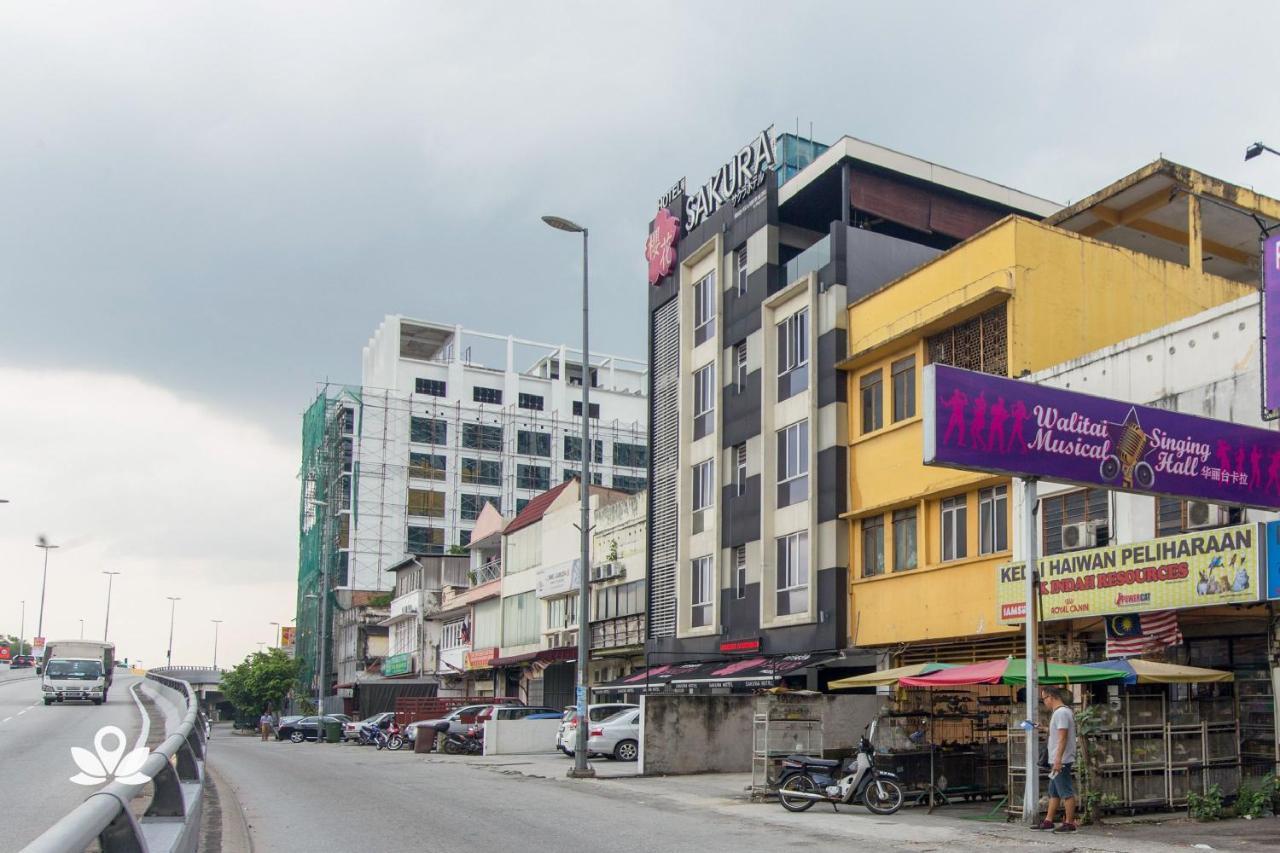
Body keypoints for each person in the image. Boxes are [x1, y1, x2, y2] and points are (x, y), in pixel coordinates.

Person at [1033, 687, 1077, 833]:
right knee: (1054, 792)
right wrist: (1043, 728)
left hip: (1061, 759)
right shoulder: (1061, 712)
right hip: (1057, 757)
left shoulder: (1061, 713)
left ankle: (1070, 823)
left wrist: (1058, 759)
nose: (1044, 702)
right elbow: (1058, 732)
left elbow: (1063, 737)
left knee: (1066, 791)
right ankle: (1048, 820)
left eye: (1044, 699)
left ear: (1051, 697)